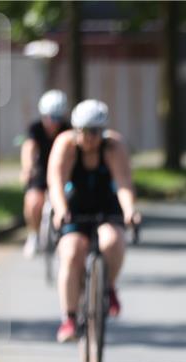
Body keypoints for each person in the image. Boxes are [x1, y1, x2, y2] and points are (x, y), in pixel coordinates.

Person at [47, 99, 141, 343]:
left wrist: (129, 210)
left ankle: (108, 286)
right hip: (74, 206)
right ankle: (69, 318)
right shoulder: (65, 145)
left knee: (113, 240)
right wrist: (60, 210)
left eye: (96, 132)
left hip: (105, 204)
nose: (91, 138)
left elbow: (123, 183)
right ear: (76, 129)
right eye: (86, 132)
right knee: (71, 252)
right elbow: (56, 182)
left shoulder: (114, 146)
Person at [20, 90, 70, 258]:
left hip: (63, 172)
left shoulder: (68, 130)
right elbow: (28, 148)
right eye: (49, 117)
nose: (53, 122)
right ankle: (34, 235)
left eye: (57, 117)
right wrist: (27, 168)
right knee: (33, 202)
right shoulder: (35, 129)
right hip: (42, 171)